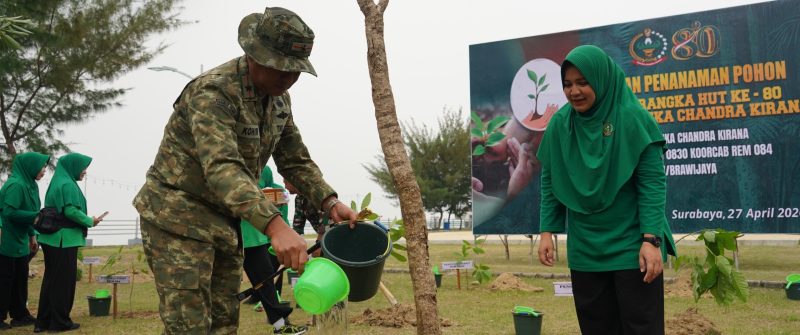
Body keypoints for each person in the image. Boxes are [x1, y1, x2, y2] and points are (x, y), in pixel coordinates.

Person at [132, 6, 356, 334]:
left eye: (296, 70)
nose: (289, 78)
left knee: (223, 323)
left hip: (224, 224)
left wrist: (330, 202)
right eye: (281, 68)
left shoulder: (279, 101)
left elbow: (295, 160)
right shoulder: (214, 92)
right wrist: (276, 227)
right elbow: (222, 166)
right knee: (189, 326)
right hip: (177, 219)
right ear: (254, 56)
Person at [536, 45, 676, 335]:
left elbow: (652, 182)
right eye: (567, 84)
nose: (574, 91)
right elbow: (551, 179)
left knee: (641, 328)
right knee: (596, 328)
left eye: (583, 82)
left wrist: (651, 240)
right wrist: (547, 231)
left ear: (601, 79)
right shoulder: (561, 124)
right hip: (585, 248)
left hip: (632, 247)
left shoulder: (633, 117)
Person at [35, 153, 103, 333]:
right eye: (83, 167)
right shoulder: (67, 184)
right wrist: (90, 220)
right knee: (63, 283)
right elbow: (70, 211)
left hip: (51, 239)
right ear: (73, 166)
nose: (85, 171)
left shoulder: (57, 182)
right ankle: (60, 322)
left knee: (51, 281)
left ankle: (43, 322)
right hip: (63, 240)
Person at [241, 166, 306, 334]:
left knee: (266, 280)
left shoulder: (267, 173)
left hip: (254, 236)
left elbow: (277, 200)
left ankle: (281, 325)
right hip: (224, 235)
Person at [0, 152, 49, 330]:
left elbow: (28, 213)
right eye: (42, 166)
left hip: (20, 238)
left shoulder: (30, 185)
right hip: (6, 237)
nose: (44, 170)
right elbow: (9, 212)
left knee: (20, 278)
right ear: (30, 166)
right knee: (4, 279)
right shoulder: (16, 185)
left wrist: (32, 235)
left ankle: (20, 315)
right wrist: (36, 217)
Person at [286, 180, 327, 256]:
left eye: (286, 182)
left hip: (333, 233)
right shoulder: (299, 199)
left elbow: (326, 220)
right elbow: (298, 226)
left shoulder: (316, 194)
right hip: (323, 236)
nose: (285, 186)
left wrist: (320, 244)